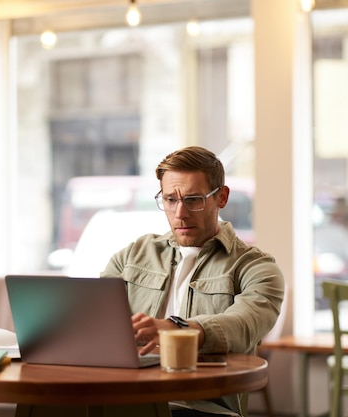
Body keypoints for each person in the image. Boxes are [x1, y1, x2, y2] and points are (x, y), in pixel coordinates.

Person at [101, 146, 285, 417]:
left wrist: (176, 328)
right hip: (126, 399)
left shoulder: (257, 268)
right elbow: (96, 322)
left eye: (193, 199)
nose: (180, 214)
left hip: (201, 408)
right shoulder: (131, 257)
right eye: (170, 200)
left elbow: (242, 324)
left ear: (221, 197)